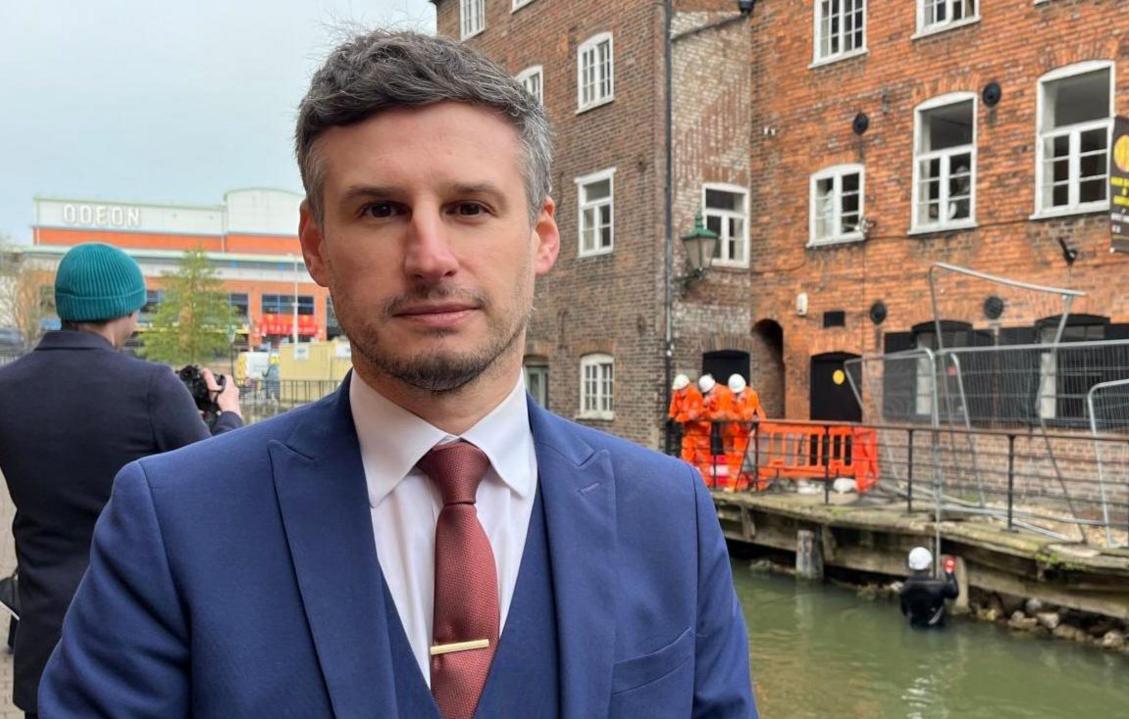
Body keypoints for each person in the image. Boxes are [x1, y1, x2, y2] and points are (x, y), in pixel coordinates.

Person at [41, 31, 755, 719]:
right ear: (316, 245)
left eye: (469, 208)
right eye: (381, 209)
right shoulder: (175, 521)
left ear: (541, 236)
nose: (430, 256)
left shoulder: (670, 514)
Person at [0, 243, 242, 718]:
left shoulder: (7, 386)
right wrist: (228, 415)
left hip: (43, 637)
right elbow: (218, 476)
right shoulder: (151, 387)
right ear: (126, 308)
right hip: (129, 637)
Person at [899, 547, 959, 629]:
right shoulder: (938, 585)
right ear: (929, 564)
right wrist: (949, 572)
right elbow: (954, 593)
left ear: (911, 566)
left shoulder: (905, 587)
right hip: (936, 628)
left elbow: (905, 611)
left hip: (915, 626)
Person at [724, 374, 765, 491]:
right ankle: (737, 485)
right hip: (740, 431)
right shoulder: (731, 396)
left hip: (755, 430)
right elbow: (728, 413)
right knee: (738, 458)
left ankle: (759, 485)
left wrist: (736, 412)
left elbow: (746, 416)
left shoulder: (751, 395)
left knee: (755, 459)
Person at [666, 373, 702, 465]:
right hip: (687, 430)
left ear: (686, 387)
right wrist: (671, 417)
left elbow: (694, 413)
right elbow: (673, 406)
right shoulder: (677, 393)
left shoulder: (694, 395)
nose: (678, 392)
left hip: (699, 430)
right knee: (686, 455)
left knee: (700, 456)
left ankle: (700, 477)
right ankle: (686, 473)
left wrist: (679, 419)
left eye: (680, 390)